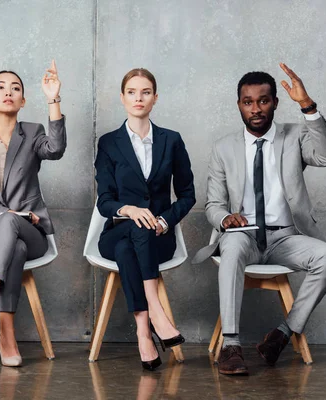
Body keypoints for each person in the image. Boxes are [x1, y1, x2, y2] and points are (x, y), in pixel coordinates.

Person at [193, 63, 326, 375]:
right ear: (239, 106)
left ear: (275, 102)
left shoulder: (295, 136)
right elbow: (213, 203)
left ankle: (281, 335)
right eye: (248, 102)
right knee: (231, 247)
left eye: (263, 100)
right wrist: (225, 219)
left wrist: (307, 105)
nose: (256, 108)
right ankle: (230, 346)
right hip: (242, 235)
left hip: (285, 236)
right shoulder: (224, 148)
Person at [0, 61, 66, 367]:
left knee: (16, 234)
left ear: (23, 100)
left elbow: (56, 149)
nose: (8, 92)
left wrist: (53, 99)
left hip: (33, 232)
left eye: (15, 88)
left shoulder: (33, 133)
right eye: (0, 88)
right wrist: (7, 214)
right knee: (12, 243)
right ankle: (7, 334)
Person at [94, 68, 195, 371]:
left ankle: (142, 331)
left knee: (134, 244)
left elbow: (188, 195)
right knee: (134, 231)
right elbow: (105, 201)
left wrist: (164, 221)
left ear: (155, 98)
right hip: (115, 233)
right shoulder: (109, 143)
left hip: (158, 239)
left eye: (146, 92)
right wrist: (131, 210)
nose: (138, 98)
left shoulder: (171, 140)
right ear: (122, 97)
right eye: (132, 92)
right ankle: (157, 312)